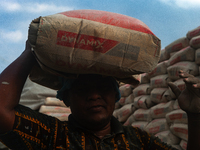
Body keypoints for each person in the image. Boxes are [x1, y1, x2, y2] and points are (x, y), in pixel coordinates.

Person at [0, 41, 200, 150]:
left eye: (103, 88)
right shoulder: (52, 135)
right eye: (82, 89)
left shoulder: (138, 141)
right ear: (66, 98)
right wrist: (31, 51)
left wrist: (194, 116)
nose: (94, 95)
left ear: (115, 95)